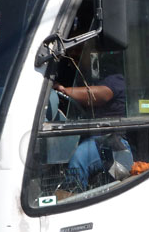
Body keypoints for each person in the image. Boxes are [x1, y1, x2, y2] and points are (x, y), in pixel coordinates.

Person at [52, 52, 132, 193]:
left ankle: (69, 199)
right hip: (88, 136)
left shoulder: (116, 79)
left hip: (111, 142)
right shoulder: (88, 80)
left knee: (79, 158)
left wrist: (64, 90)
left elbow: (94, 95)